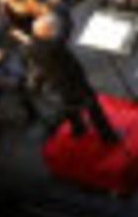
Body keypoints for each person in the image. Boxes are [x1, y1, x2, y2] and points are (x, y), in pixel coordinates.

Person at [25, 10, 120, 144]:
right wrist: (62, 10)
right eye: (51, 29)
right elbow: (66, 29)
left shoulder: (31, 46)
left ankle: (78, 129)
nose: (54, 31)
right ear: (45, 31)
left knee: (69, 107)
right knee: (93, 108)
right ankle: (109, 137)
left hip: (57, 83)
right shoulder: (53, 46)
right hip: (74, 81)